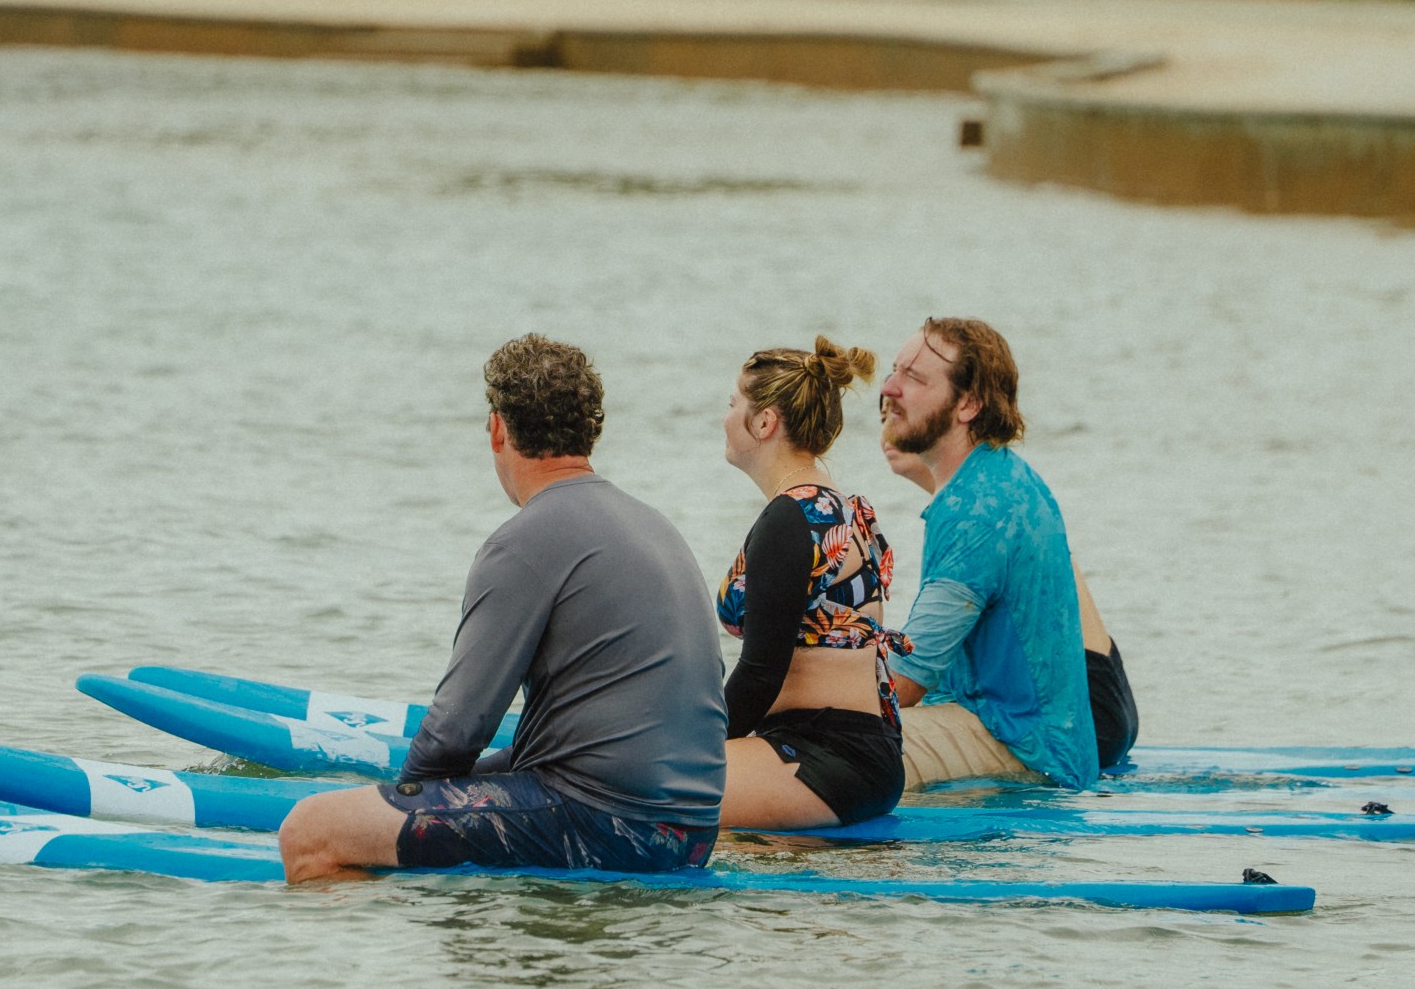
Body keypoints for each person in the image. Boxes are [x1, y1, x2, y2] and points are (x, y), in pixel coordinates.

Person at [278, 336, 726, 882]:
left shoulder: (523, 542)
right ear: (592, 430)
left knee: (310, 830)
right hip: (693, 829)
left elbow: (457, 728)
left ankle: (399, 945)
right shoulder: (655, 526)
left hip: (611, 828)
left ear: (498, 428)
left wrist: (401, 804)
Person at [875, 318, 1122, 792]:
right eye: (894, 370)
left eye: (914, 378)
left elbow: (902, 684)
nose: (889, 388)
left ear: (968, 404)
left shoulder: (977, 513)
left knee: (837, 750)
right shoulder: (996, 475)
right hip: (1033, 735)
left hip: (1027, 752)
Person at [714, 338, 908, 830]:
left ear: (764, 422)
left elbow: (761, 671)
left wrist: (699, 749)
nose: (724, 416)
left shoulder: (791, 517)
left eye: (733, 403)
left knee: (638, 785)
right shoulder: (832, 507)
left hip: (824, 757)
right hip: (860, 752)